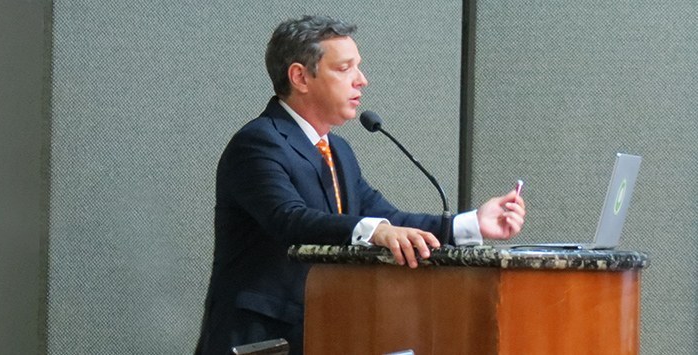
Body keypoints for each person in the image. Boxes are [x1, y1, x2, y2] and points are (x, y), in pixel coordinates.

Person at [195, 15, 526, 355]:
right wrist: (374, 231)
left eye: (359, 68)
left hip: (324, 333)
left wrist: (472, 223)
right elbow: (289, 219)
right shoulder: (259, 143)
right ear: (300, 77)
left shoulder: (338, 150)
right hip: (262, 340)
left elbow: (385, 216)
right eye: (344, 68)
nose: (362, 81)